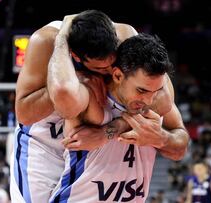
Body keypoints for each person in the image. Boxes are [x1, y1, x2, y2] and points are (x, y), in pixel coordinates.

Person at [11, 10, 138, 203]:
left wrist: (108, 131)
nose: (109, 70)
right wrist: (71, 79)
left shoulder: (126, 37)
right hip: (44, 146)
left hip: (92, 144)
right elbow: (24, 114)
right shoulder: (44, 41)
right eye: (100, 68)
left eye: (111, 64)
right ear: (76, 56)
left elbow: (157, 101)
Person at [49, 33, 189, 202]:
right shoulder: (90, 96)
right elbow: (62, 90)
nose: (149, 100)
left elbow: (181, 148)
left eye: (157, 91)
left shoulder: (154, 102)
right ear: (117, 75)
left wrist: (161, 138)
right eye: (142, 91)